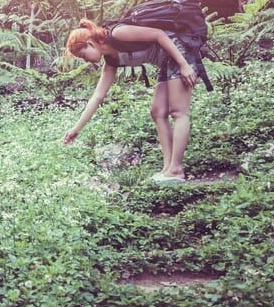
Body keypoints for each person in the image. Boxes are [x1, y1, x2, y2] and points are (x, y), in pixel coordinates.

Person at [61, 19, 204, 184]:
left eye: (83, 55)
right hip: (166, 62)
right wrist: (76, 129)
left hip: (180, 52)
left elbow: (158, 34)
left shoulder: (118, 34)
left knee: (178, 112)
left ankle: (176, 169)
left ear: (90, 44)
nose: (85, 60)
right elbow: (97, 97)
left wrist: (184, 65)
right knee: (157, 112)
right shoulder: (111, 62)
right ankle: (167, 168)